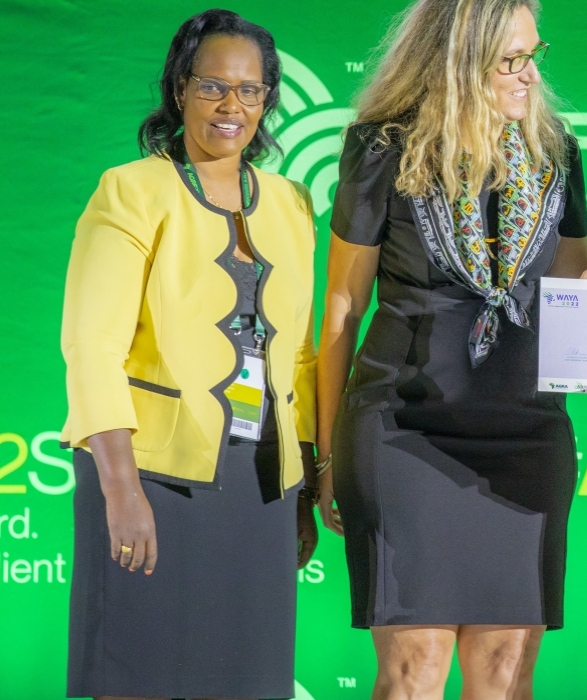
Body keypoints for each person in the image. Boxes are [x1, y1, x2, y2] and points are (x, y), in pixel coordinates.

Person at [314, 0, 587, 697]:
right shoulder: (382, 147)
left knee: (505, 676)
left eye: (534, 54)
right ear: (458, 60)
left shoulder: (554, 150)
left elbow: (569, 289)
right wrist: (326, 455)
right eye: (510, 59)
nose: (529, 74)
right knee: (414, 672)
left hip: (526, 434)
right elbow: (344, 309)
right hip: (403, 431)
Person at [60, 9, 320, 700]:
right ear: (180, 89)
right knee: (142, 678)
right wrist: (121, 491)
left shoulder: (293, 205)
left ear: (267, 100)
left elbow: (299, 360)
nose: (232, 105)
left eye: (251, 89)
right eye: (212, 86)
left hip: (262, 483)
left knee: (248, 681)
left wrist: (306, 481)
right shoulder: (131, 191)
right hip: (153, 476)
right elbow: (93, 347)